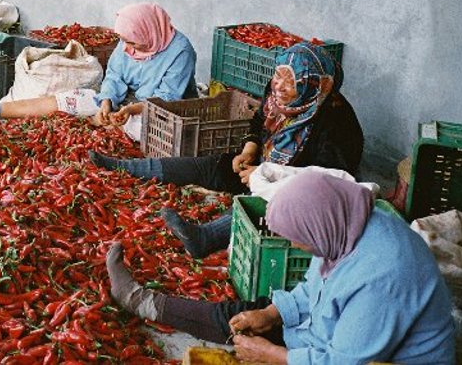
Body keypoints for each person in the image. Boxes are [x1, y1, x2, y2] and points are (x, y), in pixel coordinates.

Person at [105, 171, 456, 364]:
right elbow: (312, 288)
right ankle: (138, 300)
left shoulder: (383, 276)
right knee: (244, 315)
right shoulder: (344, 224)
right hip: (332, 335)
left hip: (374, 359)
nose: (295, 246)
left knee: (253, 346)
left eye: (297, 239)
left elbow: (346, 361)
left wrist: (277, 356)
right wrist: (273, 314)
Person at [90, 42, 363, 258]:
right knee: (209, 165)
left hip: (299, 192)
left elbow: (326, 181)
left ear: (314, 84)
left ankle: (205, 238)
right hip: (260, 166)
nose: (278, 86)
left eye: (289, 82)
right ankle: (127, 166)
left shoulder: (338, 124)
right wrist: (249, 150)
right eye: (278, 75)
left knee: (269, 204)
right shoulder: (279, 95)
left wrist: (268, 175)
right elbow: (259, 122)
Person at [0, 3, 197, 141]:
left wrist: (128, 111)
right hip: (123, 102)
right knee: (69, 98)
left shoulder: (180, 51)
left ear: (148, 31)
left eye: (132, 43)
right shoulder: (129, 39)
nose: (127, 48)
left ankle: (96, 124)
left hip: (159, 111)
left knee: (150, 131)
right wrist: (107, 100)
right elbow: (115, 75)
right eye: (124, 42)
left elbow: (168, 99)